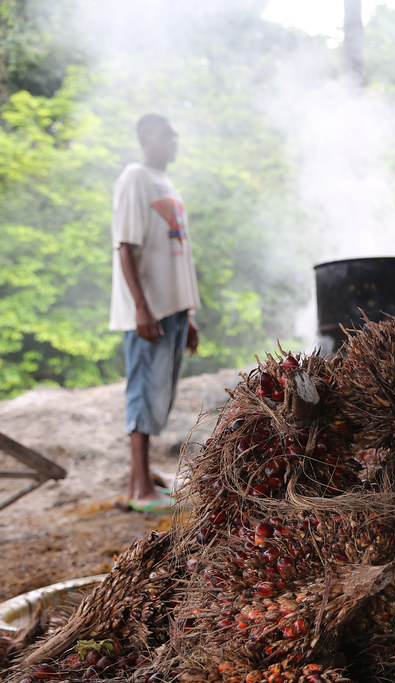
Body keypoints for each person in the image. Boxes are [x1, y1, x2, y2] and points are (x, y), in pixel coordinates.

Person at [109, 114, 201, 514]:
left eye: (176, 135)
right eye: (168, 134)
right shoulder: (135, 178)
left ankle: (138, 484)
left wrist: (189, 314)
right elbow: (125, 246)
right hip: (148, 312)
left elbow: (176, 256)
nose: (174, 142)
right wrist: (141, 307)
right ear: (146, 137)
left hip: (174, 310)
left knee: (160, 395)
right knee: (144, 393)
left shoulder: (168, 184)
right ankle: (141, 488)